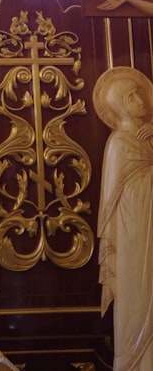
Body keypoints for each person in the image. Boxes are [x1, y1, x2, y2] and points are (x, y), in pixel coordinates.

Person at [93, 66, 153, 371]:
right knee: (136, 300)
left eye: (141, 94)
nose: (142, 101)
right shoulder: (118, 144)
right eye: (132, 97)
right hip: (133, 236)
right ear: (119, 105)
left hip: (150, 232)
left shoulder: (148, 137)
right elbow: (117, 199)